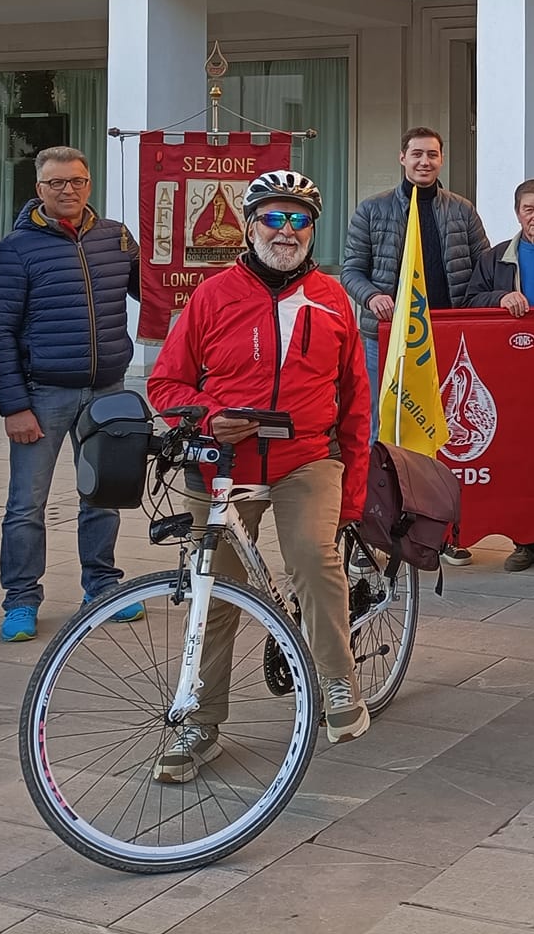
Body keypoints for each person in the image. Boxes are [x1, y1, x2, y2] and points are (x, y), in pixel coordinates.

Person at [146, 170, 373, 780]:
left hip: (307, 457)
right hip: (223, 462)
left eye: (299, 219)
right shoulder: (212, 296)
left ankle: (337, 680)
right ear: (248, 227)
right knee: (215, 589)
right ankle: (199, 720)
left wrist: (353, 497)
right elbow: (165, 383)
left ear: (313, 231)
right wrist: (210, 417)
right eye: (273, 217)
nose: (286, 230)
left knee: (313, 559)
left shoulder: (332, 298)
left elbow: (356, 403)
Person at [0, 146, 144, 643]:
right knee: (26, 504)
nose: (67, 190)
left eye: (76, 181)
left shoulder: (117, 238)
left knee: (103, 496)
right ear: (39, 189)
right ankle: (21, 599)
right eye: (56, 183)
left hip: (107, 390)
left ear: (89, 184)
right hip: (43, 394)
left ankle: (102, 586)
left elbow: (156, 291)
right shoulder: (14, 250)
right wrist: (14, 407)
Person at [340, 127, 489, 565]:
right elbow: (351, 270)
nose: (425, 162)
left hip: (446, 338)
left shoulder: (462, 210)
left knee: (444, 434)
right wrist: (371, 296)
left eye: (433, 155)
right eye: (417, 154)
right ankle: (372, 536)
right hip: (384, 340)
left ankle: (443, 531)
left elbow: (485, 268)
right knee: (379, 434)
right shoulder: (372, 209)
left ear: (442, 160)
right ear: (402, 157)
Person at [463, 178, 534, 573]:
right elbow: (470, 301)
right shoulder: (494, 258)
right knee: (519, 466)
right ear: (517, 214)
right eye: (529, 209)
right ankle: (527, 542)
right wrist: (500, 298)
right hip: (512, 381)